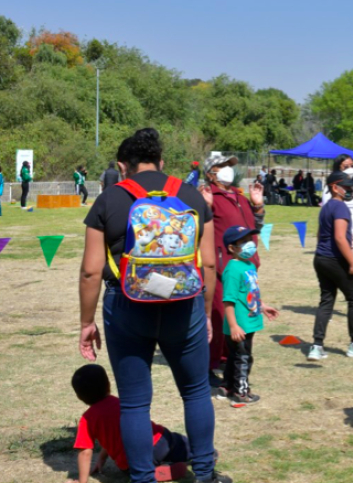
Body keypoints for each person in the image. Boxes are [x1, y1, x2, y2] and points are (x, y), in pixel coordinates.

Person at [78, 128, 225, 483]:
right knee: (194, 393)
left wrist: (86, 322)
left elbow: (90, 270)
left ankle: (142, 479)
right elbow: (207, 264)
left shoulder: (109, 199)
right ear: (162, 161)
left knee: (133, 403)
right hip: (184, 304)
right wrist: (205, 313)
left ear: (121, 166)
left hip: (127, 306)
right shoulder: (190, 194)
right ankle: (204, 474)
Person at [201, 153, 265, 387]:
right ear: (211, 173)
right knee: (217, 318)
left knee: (240, 316)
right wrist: (206, 207)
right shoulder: (209, 196)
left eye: (230, 165)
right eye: (223, 165)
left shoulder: (238, 196)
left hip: (245, 267)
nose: (229, 169)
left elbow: (254, 228)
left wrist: (257, 205)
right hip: (222, 268)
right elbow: (201, 227)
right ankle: (207, 365)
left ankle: (230, 360)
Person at [69, 364, 191, 483]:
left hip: (131, 462)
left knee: (134, 471)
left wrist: (82, 480)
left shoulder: (87, 419)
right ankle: (197, 454)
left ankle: (153, 473)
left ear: (79, 397)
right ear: (108, 386)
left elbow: (86, 451)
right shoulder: (122, 403)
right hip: (158, 443)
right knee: (179, 443)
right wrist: (102, 457)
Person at [308, 171, 353, 362]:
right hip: (334, 260)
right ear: (334, 187)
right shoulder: (340, 207)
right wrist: (352, 262)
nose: (351, 190)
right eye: (347, 187)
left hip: (321, 258)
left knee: (327, 300)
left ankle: (316, 347)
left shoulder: (325, 208)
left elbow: (319, 235)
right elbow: (340, 238)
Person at [216, 226, 278, 406]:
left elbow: (250, 292)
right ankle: (241, 393)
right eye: (242, 242)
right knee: (244, 358)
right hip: (239, 324)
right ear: (231, 248)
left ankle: (226, 386)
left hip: (249, 320)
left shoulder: (249, 265)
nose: (249, 244)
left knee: (235, 356)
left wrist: (263, 306)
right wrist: (234, 326)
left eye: (249, 240)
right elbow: (228, 301)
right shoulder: (232, 270)